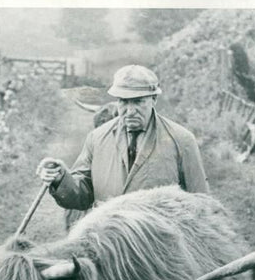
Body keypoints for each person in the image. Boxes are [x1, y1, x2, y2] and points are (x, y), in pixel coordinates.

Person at [36, 65, 209, 229]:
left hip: (159, 248)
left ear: (153, 99)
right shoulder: (97, 138)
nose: (130, 110)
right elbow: (82, 196)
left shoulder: (181, 140)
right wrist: (61, 179)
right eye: (123, 102)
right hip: (107, 244)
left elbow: (200, 203)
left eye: (138, 101)